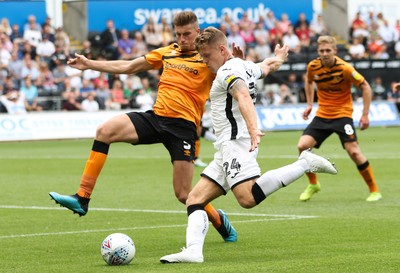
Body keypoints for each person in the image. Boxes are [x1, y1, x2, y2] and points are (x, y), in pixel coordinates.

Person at [49, 11, 241, 243]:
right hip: (156, 118)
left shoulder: (208, 59)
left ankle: (219, 220)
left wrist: (238, 61)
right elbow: (129, 66)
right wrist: (89, 64)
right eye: (178, 34)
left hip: (182, 128)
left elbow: (237, 78)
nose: (182, 39)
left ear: (198, 32)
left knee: (184, 194)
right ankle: (82, 198)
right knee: (104, 131)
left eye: (187, 34)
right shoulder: (168, 52)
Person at [159, 27, 337, 263]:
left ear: (222, 49)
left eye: (207, 56)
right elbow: (266, 67)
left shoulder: (227, 71)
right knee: (195, 199)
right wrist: (279, 58)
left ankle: (304, 163)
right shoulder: (243, 65)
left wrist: (253, 129)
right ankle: (193, 251)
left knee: (247, 198)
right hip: (225, 148)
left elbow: (242, 95)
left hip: (236, 143)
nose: (204, 61)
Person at [297, 35, 382, 202]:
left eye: (328, 50)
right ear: (318, 52)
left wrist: (365, 114)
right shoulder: (313, 66)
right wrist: (309, 104)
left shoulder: (345, 68)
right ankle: (313, 184)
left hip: (343, 115)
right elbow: (308, 82)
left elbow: (365, 87)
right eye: (322, 51)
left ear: (335, 51)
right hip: (322, 115)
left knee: (355, 152)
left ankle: (374, 190)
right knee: (302, 146)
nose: (325, 53)